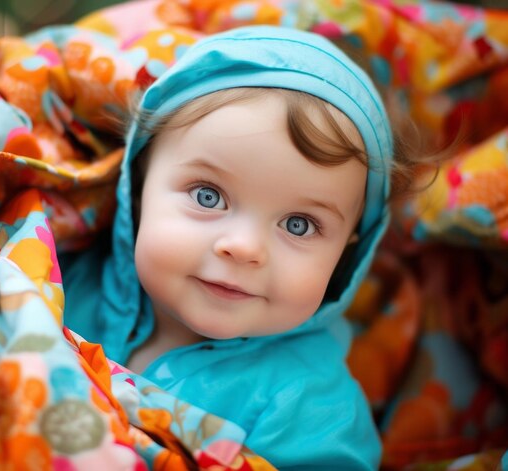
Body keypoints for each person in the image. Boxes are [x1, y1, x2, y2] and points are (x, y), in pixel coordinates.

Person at [63, 25, 414, 469]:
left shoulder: (313, 412)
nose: (245, 248)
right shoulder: (56, 282)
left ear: (347, 253)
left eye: (299, 225)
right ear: (138, 187)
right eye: (208, 196)